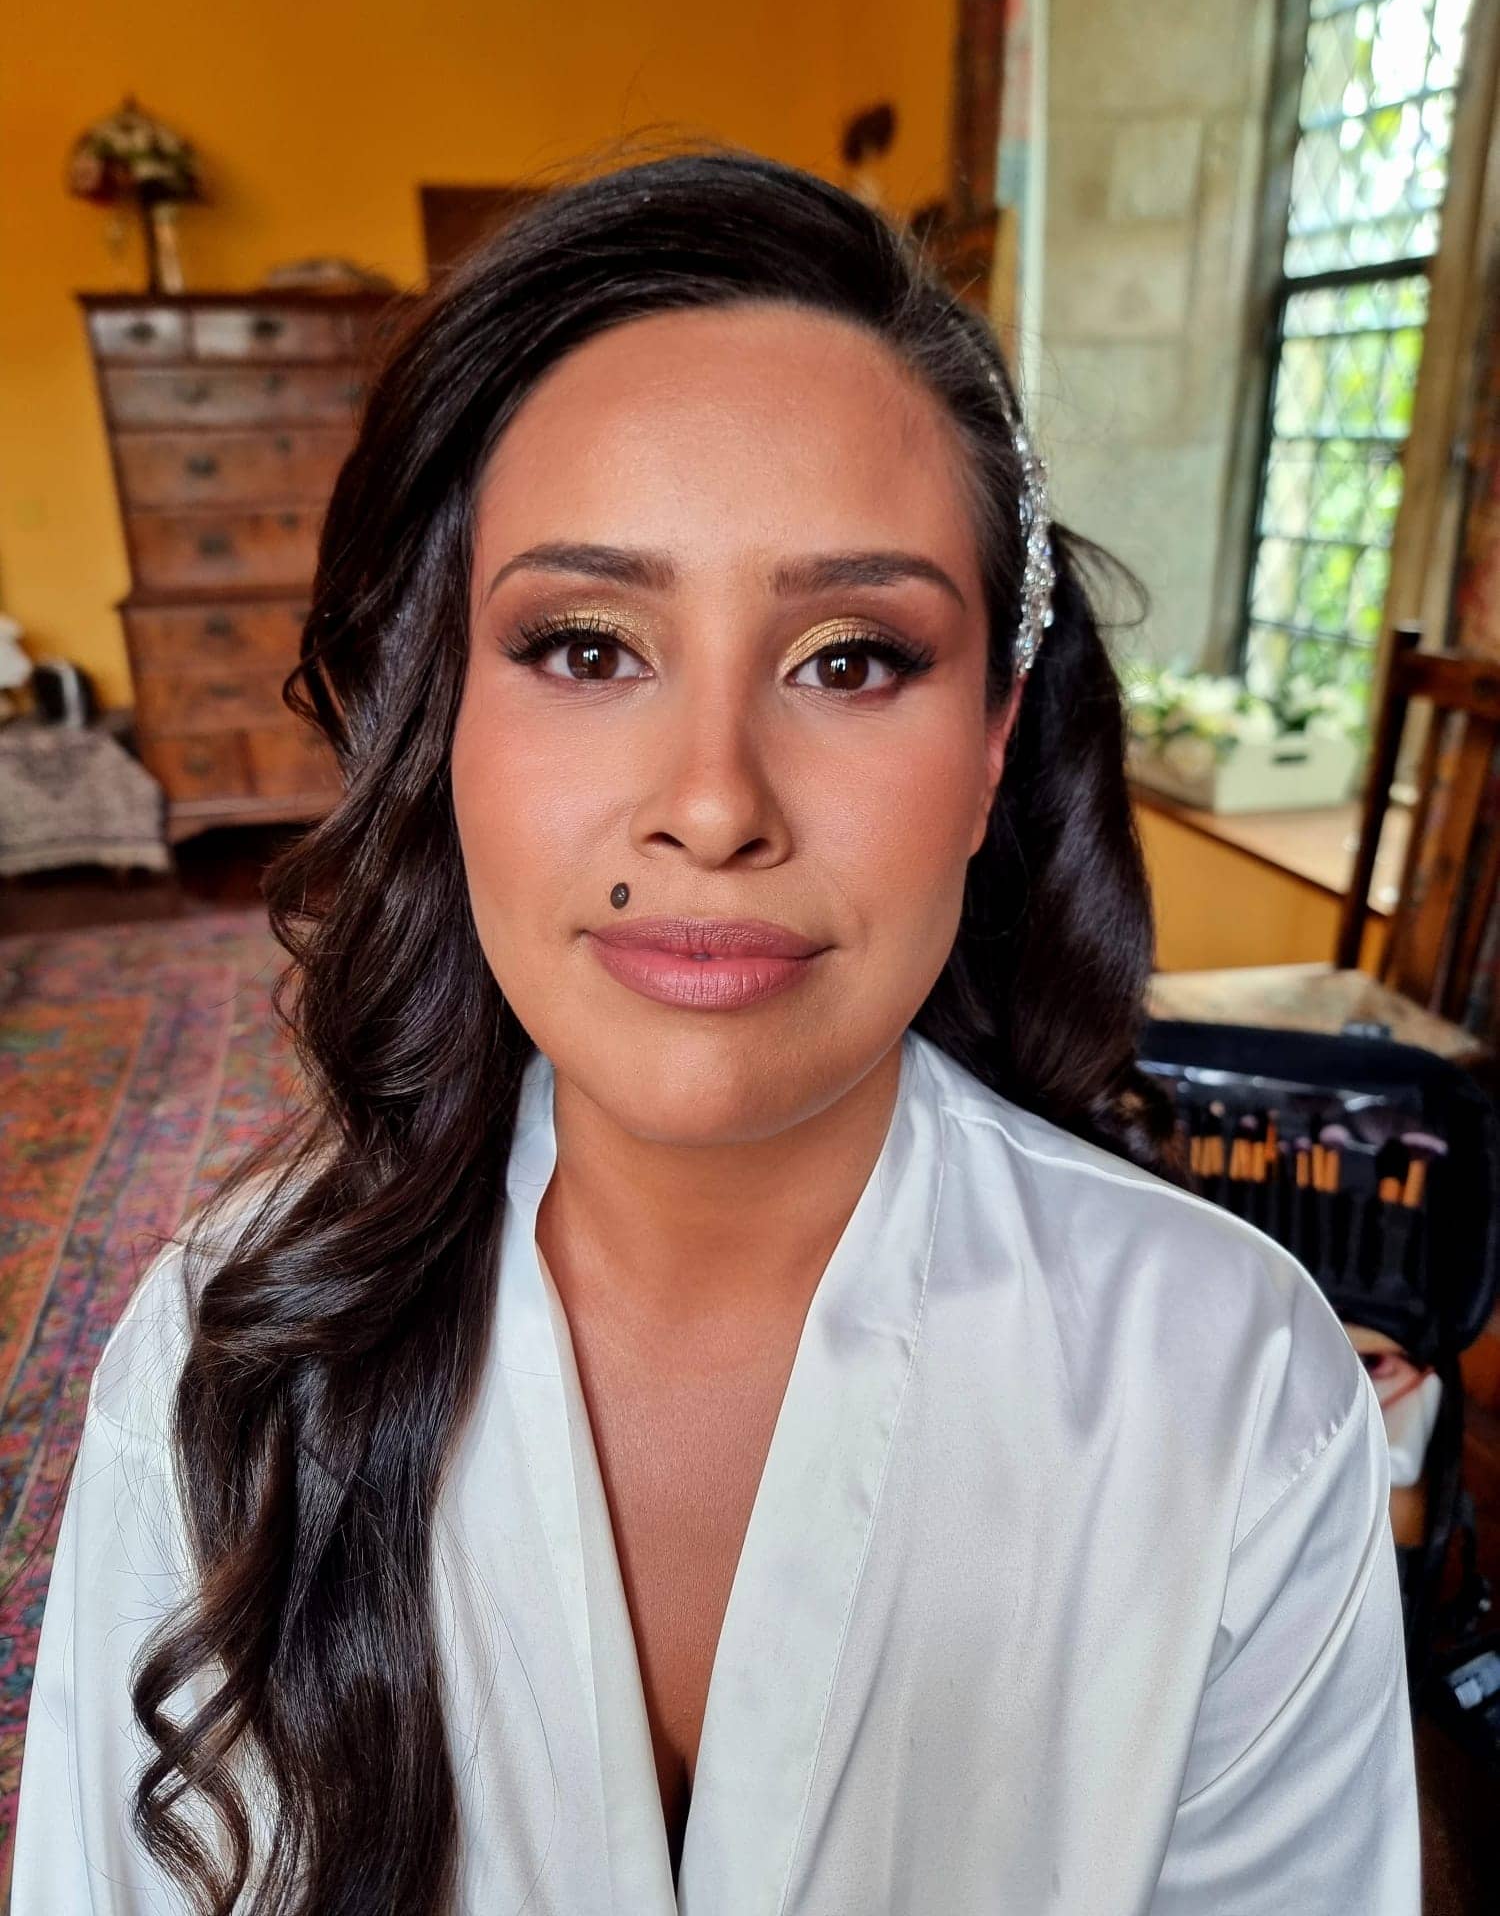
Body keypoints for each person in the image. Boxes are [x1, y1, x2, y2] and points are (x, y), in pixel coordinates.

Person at [12, 147, 1419, 1915]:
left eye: (850, 658)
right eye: (589, 645)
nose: (712, 803)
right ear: (444, 719)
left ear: (991, 745)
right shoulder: (222, 1370)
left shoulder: (1231, 1395)